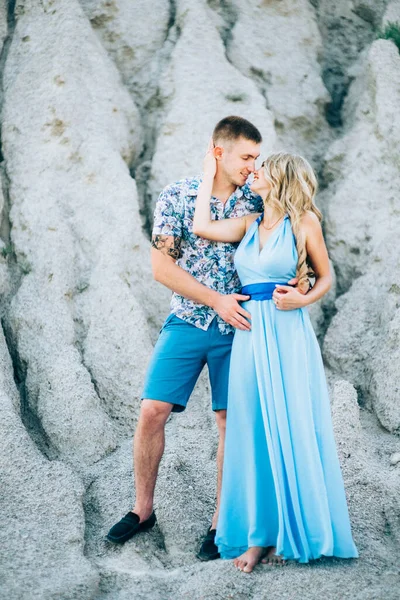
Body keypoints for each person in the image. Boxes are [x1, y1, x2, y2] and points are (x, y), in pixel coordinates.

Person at [106, 116, 303, 559]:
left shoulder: (260, 197)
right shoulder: (177, 196)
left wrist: (301, 289)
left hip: (243, 329)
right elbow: (162, 268)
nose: (254, 166)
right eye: (247, 157)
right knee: (152, 410)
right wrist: (215, 300)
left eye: (258, 158)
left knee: (229, 424)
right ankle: (142, 510)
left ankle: (221, 523)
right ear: (219, 153)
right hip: (189, 320)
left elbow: (297, 236)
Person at [193, 148, 359, 572]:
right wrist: (208, 174)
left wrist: (302, 298)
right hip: (249, 337)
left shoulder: (303, 222)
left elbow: (326, 276)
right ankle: (258, 537)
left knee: (291, 424)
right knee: (252, 429)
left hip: (287, 333)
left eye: (261, 169)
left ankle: (295, 529)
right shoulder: (250, 223)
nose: (254, 172)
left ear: (280, 178)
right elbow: (202, 227)